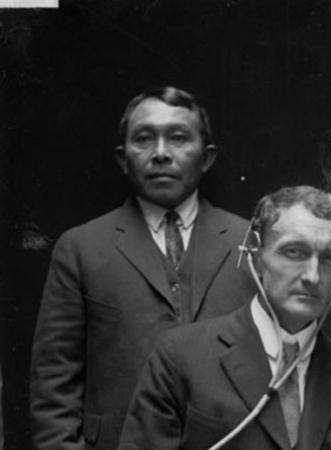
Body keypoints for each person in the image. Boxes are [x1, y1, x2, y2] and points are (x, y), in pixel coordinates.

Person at [29, 86, 257, 450]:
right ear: (122, 158)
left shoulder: (250, 243)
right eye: (144, 139)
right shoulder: (81, 248)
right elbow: (54, 388)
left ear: (207, 157)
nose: (161, 154)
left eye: (179, 138)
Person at [117, 185, 331, 450]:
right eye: (294, 252)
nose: (313, 276)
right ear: (255, 256)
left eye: (329, 258)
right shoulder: (180, 358)